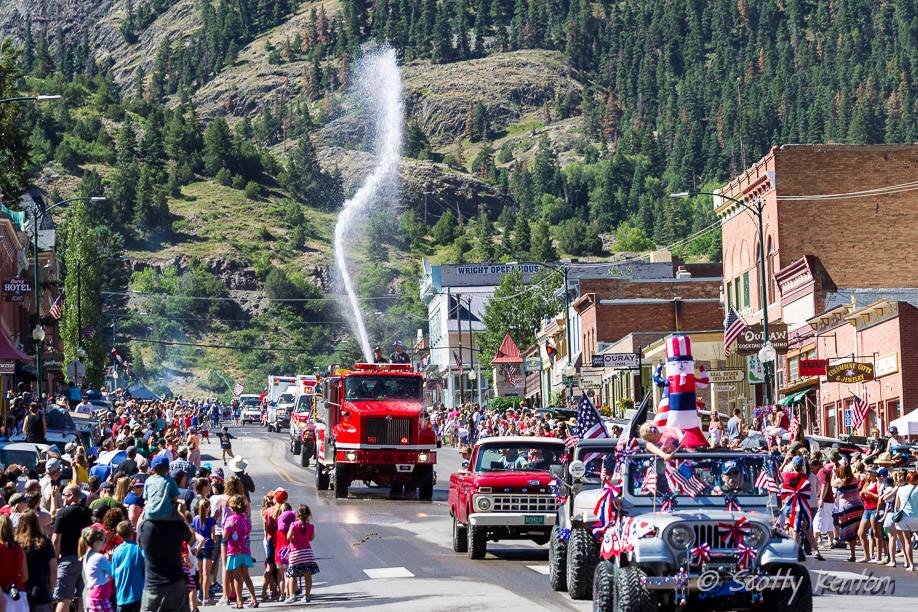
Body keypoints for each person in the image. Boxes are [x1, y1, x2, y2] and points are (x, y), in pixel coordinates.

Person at [138, 512, 194, 611]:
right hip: (175, 583)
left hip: (153, 585)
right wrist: (181, 516)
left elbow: (139, 542)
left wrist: (144, 514)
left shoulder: (146, 526)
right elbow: (191, 538)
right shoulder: (177, 525)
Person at [52, 484, 93, 612]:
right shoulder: (87, 512)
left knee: (64, 598)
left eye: (64, 495)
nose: (63, 497)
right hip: (85, 558)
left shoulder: (63, 513)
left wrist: (55, 559)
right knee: (82, 597)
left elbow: (55, 540)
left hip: (68, 559)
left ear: (70, 496)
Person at [15, 510, 56, 612]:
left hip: (20, 593)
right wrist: (51, 589)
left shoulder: (17, 544)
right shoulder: (45, 543)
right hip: (42, 592)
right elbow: (53, 569)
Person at [223, 495, 258, 609]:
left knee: (237, 577)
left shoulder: (230, 520)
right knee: (246, 576)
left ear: (232, 508)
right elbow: (248, 532)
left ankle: (239, 602)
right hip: (245, 550)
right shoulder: (246, 520)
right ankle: (254, 599)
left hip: (233, 551)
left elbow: (225, 535)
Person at [283, 505, 319, 604]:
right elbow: (311, 538)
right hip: (307, 553)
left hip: (295, 553)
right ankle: (307, 596)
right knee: (308, 575)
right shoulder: (311, 526)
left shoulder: (293, 525)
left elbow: (288, 537)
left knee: (292, 575)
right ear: (308, 515)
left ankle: (292, 595)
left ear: (297, 514)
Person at [832, 462, 864, 562]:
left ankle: (853, 554)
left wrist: (834, 473)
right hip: (858, 506)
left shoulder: (840, 481)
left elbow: (832, 483)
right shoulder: (854, 479)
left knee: (850, 532)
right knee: (859, 531)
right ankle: (868, 553)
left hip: (847, 508)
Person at [111, 521, 145, 612]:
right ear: (132, 532)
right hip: (138, 596)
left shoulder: (116, 551)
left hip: (121, 597)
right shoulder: (139, 549)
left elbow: (113, 573)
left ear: (118, 535)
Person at [80, 527, 114, 612]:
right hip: (100, 597)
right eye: (104, 540)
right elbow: (112, 573)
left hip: (92, 596)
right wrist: (111, 559)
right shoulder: (100, 557)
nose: (105, 543)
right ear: (96, 542)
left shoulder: (87, 556)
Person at [891, 470, 918, 571]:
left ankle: (911, 565)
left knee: (907, 542)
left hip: (903, 517)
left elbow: (896, 505)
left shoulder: (900, 489)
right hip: (916, 516)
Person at [192, 499, 217, 606]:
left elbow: (194, 534)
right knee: (207, 574)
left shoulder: (195, 519)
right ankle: (206, 597)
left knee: (201, 574)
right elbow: (213, 536)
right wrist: (215, 539)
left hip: (198, 547)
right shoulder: (210, 520)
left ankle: (200, 594)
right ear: (208, 508)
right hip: (208, 547)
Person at [143, 456, 182, 522]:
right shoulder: (170, 481)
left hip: (149, 515)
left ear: (153, 468)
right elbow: (176, 498)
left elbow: (146, 499)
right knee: (182, 519)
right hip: (166, 516)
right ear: (168, 468)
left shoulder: (148, 480)